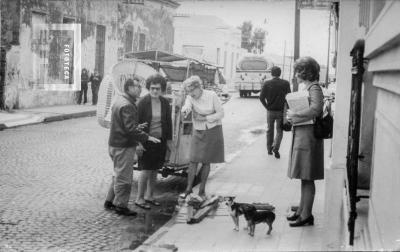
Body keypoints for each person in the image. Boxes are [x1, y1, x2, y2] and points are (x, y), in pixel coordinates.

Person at [104, 78, 160, 216]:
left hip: (115, 144)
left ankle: (109, 201)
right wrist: (147, 137)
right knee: (124, 178)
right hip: (123, 146)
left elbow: (122, 124)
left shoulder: (120, 100)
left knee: (118, 174)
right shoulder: (128, 104)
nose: (140, 89)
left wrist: (137, 127)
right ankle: (121, 206)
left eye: (140, 86)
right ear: (128, 88)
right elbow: (130, 130)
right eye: (137, 86)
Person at [286, 56, 324, 227]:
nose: (296, 75)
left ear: (305, 72)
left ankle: (306, 215)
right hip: (304, 135)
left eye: (298, 71)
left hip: (309, 138)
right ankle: (302, 211)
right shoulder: (309, 87)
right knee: (304, 176)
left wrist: (296, 115)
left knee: (307, 177)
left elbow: (316, 109)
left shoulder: (314, 88)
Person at [180, 75, 225, 200]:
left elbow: (221, 113)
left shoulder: (212, 95)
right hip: (198, 130)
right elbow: (187, 106)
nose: (190, 94)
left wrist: (205, 118)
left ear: (199, 87)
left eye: (192, 91)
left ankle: (201, 191)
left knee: (206, 161)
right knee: (193, 159)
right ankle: (188, 189)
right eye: (188, 92)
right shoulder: (190, 97)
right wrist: (185, 110)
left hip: (212, 130)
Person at [135, 74, 173, 210]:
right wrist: (138, 144)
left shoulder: (165, 102)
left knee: (155, 170)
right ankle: (139, 198)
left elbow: (168, 123)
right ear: (148, 88)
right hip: (146, 141)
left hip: (160, 142)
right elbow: (136, 124)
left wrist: (169, 141)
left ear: (162, 89)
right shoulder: (143, 102)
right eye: (152, 88)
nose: (155, 91)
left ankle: (149, 196)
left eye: (158, 88)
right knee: (145, 170)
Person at [259, 66, 291, 159]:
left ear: (271, 73)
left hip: (270, 111)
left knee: (269, 130)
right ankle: (276, 148)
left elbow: (261, 98)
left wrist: (267, 107)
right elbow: (289, 97)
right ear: (280, 73)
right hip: (281, 111)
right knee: (279, 131)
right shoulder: (285, 83)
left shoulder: (267, 83)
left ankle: (269, 149)